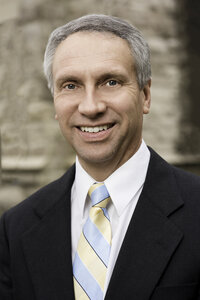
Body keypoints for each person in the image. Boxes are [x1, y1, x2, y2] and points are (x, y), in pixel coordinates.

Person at [0, 14, 200, 300]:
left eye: (110, 82)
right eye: (70, 85)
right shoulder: (15, 229)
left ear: (145, 95)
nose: (91, 107)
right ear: (55, 101)